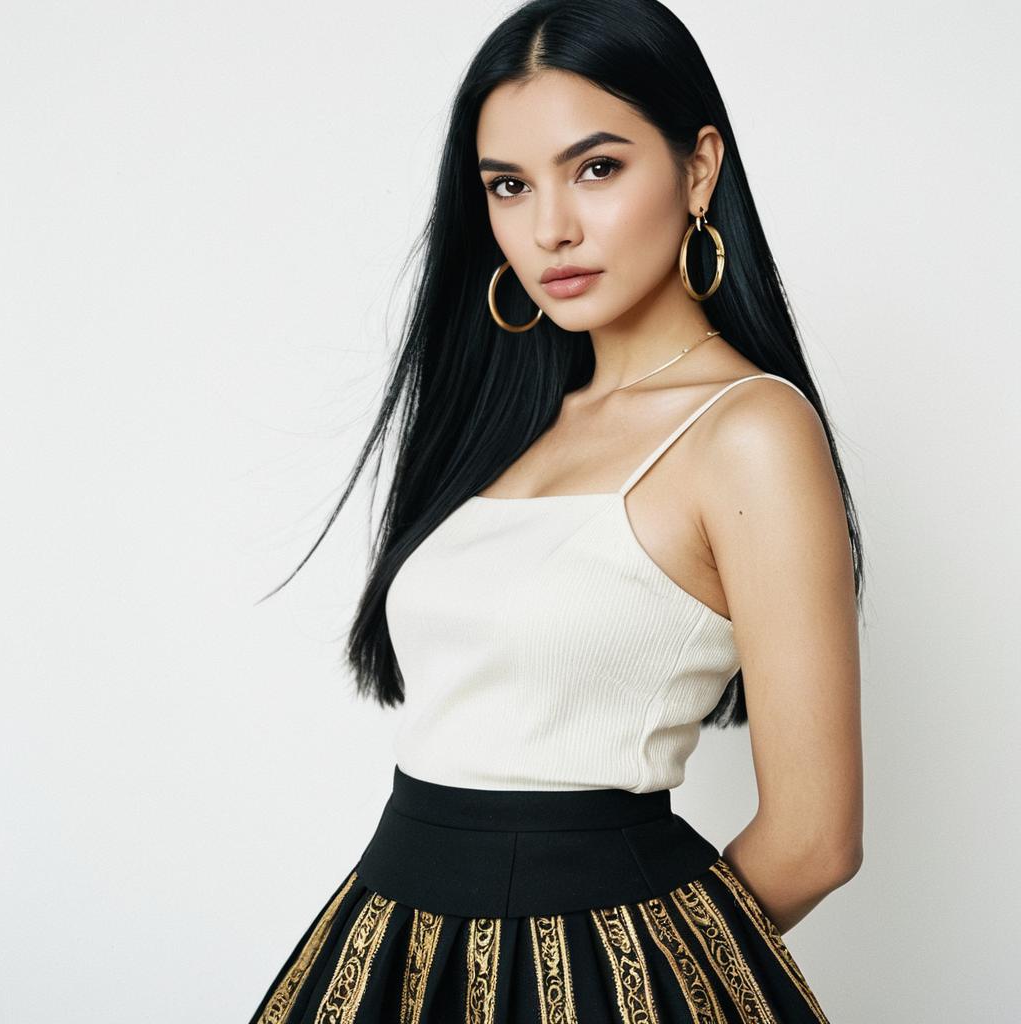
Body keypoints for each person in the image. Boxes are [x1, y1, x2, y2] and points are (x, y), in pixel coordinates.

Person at [246, 0, 864, 1020]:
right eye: (507, 185)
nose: (549, 229)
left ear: (698, 168)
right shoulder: (506, 416)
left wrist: (619, 976)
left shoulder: (747, 430)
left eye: (597, 168)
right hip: (387, 936)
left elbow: (813, 840)